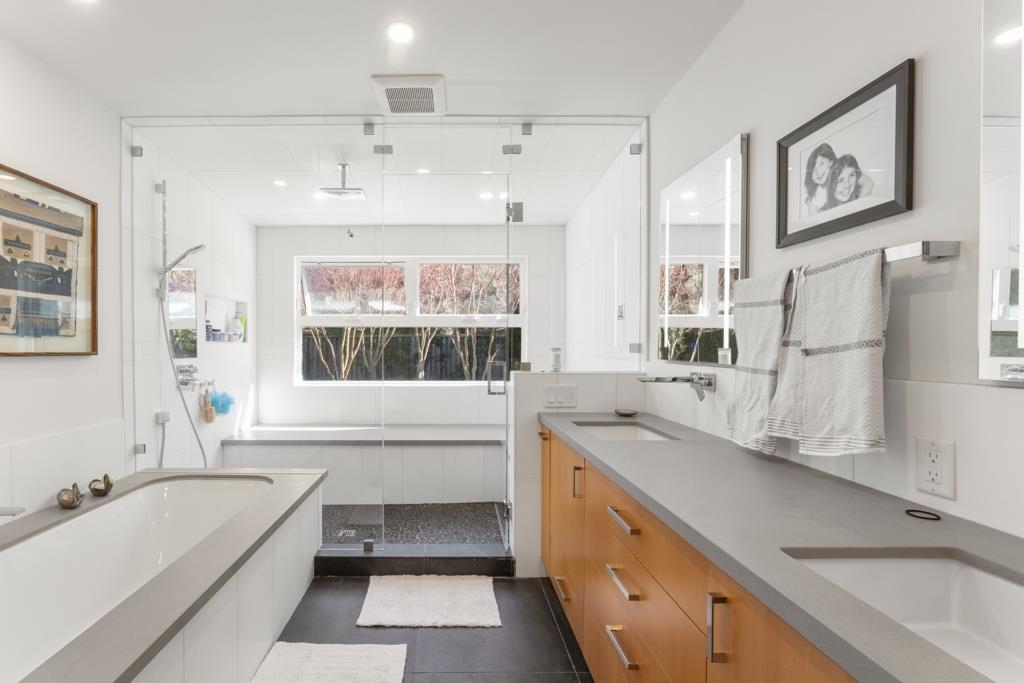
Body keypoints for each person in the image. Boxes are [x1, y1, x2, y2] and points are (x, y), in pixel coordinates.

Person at [803, 143, 836, 215]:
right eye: (814, 169)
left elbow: (866, 183)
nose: (818, 172)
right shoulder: (814, 197)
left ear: (831, 162)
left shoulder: (843, 171)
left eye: (822, 163)